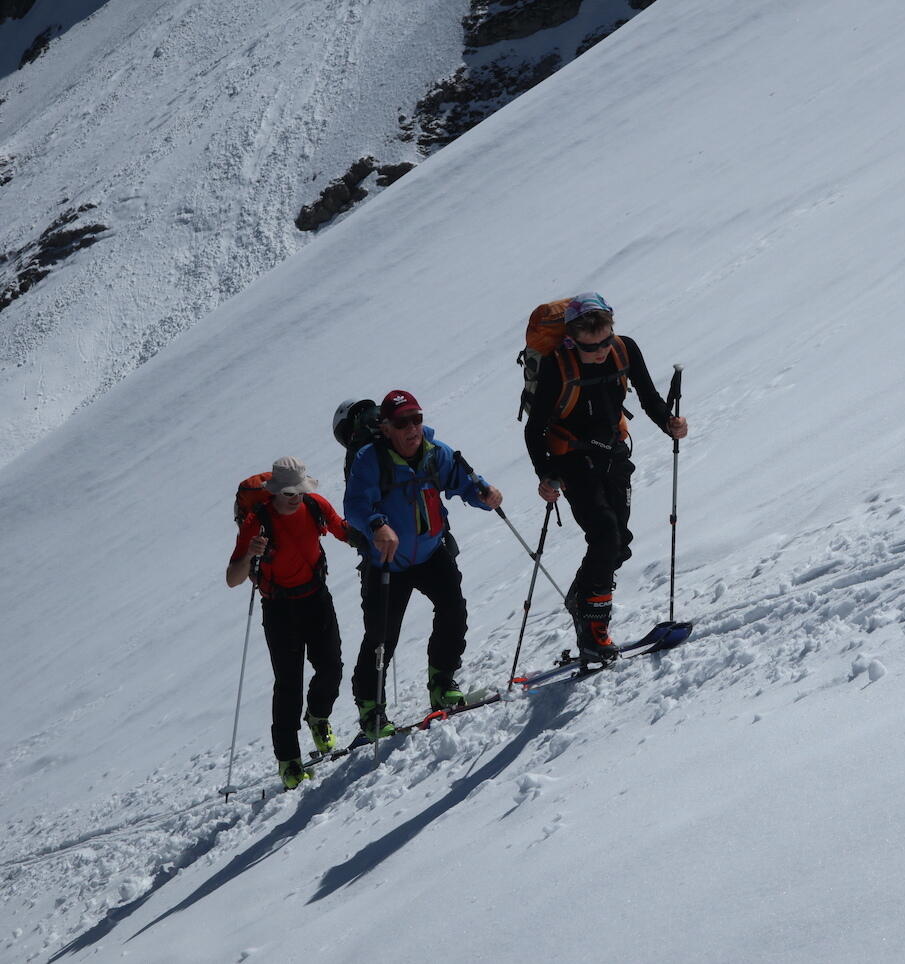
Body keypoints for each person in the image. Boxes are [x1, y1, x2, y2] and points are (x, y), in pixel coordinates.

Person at [523, 293, 688, 662]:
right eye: (590, 346)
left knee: (619, 543)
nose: (600, 352)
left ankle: (582, 596)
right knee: (604, 534)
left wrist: (669, 422)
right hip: (571, 458)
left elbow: (648, 396)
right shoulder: (556, 366)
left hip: (612, 451)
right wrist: (546, 473)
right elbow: (534, 430)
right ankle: (593, 631)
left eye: (604, 341)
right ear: (572, 339)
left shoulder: (624, 349)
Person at [343, 389, 503, 739]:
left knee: (453, 610)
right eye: (403, 423)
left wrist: (485, 494)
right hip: (387, 561)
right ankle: (371, 710)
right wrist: (376, 525)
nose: (412, 428)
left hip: (430, 551)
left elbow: (464, 482)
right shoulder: (371, 460)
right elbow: (354, 505)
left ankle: (442, 682)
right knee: (382, 636)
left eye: (416, 419)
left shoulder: (435, 452)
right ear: (386, 428)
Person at [227, 456, 349, 791]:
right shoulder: (257, 522)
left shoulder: (315, 505)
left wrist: (371, 539)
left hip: (316, 597)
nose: (296, 497)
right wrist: (250, 554)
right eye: (289, 493)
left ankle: (318, 716)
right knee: (289, 685)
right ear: (275, 491)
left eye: (300, 491)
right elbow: (233, 578)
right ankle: (289, 760)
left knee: (331, 667)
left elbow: (340, 529)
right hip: (279, 608)